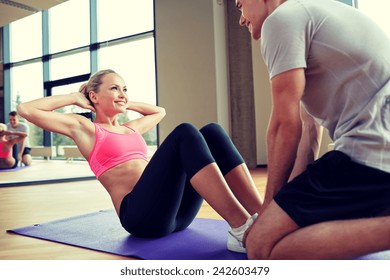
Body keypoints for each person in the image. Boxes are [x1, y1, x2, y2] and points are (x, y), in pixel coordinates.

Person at [17, 69, 263, 253]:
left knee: (212, 131)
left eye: (125, 89)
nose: (122, 94)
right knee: (185, 132)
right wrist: (74, 97)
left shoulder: (131, 128)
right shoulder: (86, 129)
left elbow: (159, 111)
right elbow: (26, 110)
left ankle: (262, 217)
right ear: (93, 95)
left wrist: (124, 101)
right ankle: (241, 227)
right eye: (114, 88)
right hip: (141, 218)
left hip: (175, 215)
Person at [236, 0, 390, 259]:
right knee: (286, 232)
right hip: (377, 156)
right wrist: (284, 205)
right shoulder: (316, 14)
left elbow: (284, 126)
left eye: (239, 5)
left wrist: (267, 211)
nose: (241, 19)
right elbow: (309, 131)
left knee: (261, 247)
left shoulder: (282, 19)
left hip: (370, 153)